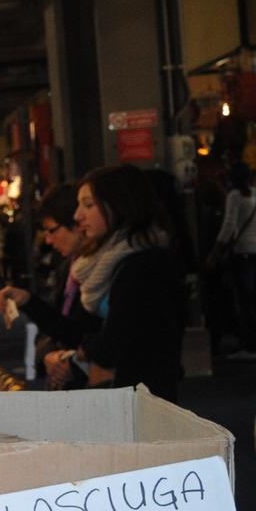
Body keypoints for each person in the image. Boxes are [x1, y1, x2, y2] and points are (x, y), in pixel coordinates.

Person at [63, 164, 186, 400]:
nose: (78, 215)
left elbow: (116, 343)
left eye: (89, 205)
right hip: (133, 392)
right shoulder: (111, 261)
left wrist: (85, 350)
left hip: (144, 398)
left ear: (118, 205)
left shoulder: (144, 264)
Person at [0, 184, 101, 389]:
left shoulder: (103, 270)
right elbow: (65, 328)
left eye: (52, 230)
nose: (49, 240)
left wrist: (71, 357)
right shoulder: (71, 268)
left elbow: (81, 334)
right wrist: (27, 300)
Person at [208, 161, 256, 361]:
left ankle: (249, 346)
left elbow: (228, 226)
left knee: (244, 301)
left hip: (244, 254)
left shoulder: (234, 196)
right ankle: (255, 342)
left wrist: (214, 254)